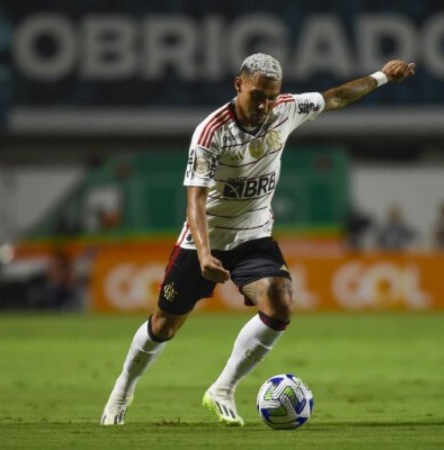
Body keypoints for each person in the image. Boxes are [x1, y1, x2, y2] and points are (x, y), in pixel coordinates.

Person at [100, 53, 416, 426]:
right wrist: (203, 254)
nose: (265, 105)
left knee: (280, 304)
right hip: (204, 241)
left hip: (254, 236)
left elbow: (336, 97)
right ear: (239, 85)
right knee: (163, 326)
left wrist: (381, 76)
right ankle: (123, 388)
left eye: (271, 96)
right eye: (257, 96)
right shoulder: (211, 132)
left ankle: (222, 388)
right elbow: (195, 199)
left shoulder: (285, 109)